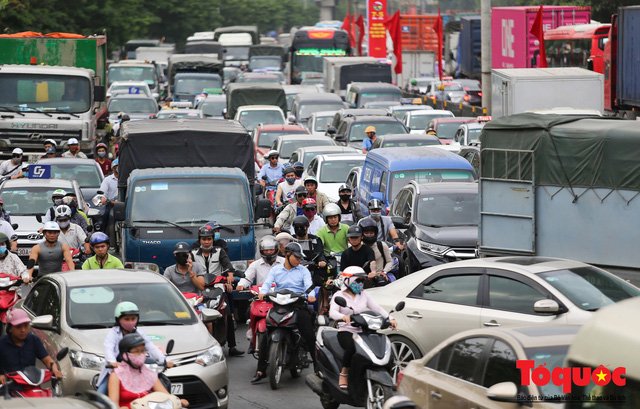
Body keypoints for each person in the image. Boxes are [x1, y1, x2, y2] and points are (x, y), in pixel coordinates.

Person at [253, 243, 316, 384]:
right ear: (287, 255)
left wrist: (311, 295)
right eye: (297, 257)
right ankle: (260, 370)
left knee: (310, 336)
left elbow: (309, 286)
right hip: (279, 305)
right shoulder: (276, 270)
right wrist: (263, 293)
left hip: (297, 305)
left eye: (300, 258)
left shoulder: (303, 271)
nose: (299, 260)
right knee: (265, 333)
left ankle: (318, 370)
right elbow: (267, 284)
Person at [328, 266, 397, 390]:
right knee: (352, 346)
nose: (360, 284)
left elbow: (377, 308)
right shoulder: (339, 295)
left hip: (364, 331)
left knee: (383, 345)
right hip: (347, 330)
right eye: (357, 281)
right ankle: (344, 373)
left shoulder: (364, 295)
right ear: (348, 280)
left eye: (362, 281)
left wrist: (390, 318)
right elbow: (332, 313)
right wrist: (343, 317)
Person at [96, 302, 173, 394]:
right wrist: (112, 362)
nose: (130, 321)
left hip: (137, 371)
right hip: (116, 371)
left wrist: (164, 360)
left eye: (133, 318)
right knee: (101, 395)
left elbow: (151, 348)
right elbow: (108, 348)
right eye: (127, 319)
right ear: (118, 319)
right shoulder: (113, 333)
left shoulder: (140, 334)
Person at [190, 224, 243, 357]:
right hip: (200, 288)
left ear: (213, 239)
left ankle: (232, 346)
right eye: (203, 239)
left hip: (217, 287)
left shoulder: (220, 251)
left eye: (209, 239)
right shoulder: (193, 253)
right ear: (200, 240)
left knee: (228, 313)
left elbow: (227, 265)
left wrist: (230, 276)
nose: (206, 242)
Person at [108, 334, 188, 408]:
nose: (141, 354)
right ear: (125, 355)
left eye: (142, 351)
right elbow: (113, 405)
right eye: (136, 351)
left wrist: (178, 401)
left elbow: (166, 396)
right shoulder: (116, 376)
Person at [0, 310, 63, 388]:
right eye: (19, 326)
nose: (23, 330)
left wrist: (55, 370)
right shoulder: (2, 343)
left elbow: (47, 360)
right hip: (8, 389)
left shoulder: (34, 340)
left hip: (31, 386)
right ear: (10, 328)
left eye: (26, 326)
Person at [360, 217, 394, 287]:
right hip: (362, 279)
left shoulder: (381, 245)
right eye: (366, 233)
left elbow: (389, 261)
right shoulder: (358, 247)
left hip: (378, 277)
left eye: (371, 233)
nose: (369, 235)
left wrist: (384, 272)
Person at [98, 158, 119, 232]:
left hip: (125, 205)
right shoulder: (107, 180)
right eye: (118, 166)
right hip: (112, 205)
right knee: (105, 217)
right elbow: (103, 193)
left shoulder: (128, 179)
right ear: (113, 168)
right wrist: (103, 199)